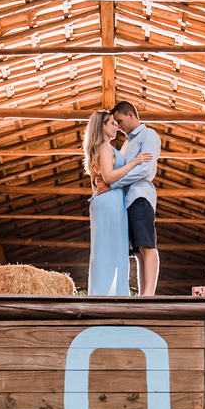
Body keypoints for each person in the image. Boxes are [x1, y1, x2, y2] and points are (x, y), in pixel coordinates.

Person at [83, 110, 152, 296]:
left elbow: (99, 181)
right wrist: (135, 162)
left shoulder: (104, 148)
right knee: (111, 247)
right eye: (112, 123)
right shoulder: (104, 148)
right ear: (102, 126)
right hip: (110, 202)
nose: (116, 126)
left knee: (110, 247)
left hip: (109, 200)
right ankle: (110, 295)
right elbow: (108, 177)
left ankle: (109, 293)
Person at [99, 101, 161, 296]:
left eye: (119, 120)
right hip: (126, 202)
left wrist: (114, 184)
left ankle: (149, 295)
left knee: (147, 246)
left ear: (131, 115)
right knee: (137, 252)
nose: (118, 126)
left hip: (140, 196)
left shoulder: (148, 135)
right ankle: (143, 294)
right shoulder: (126, 144)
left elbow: (145, 169)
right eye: (114, 123)